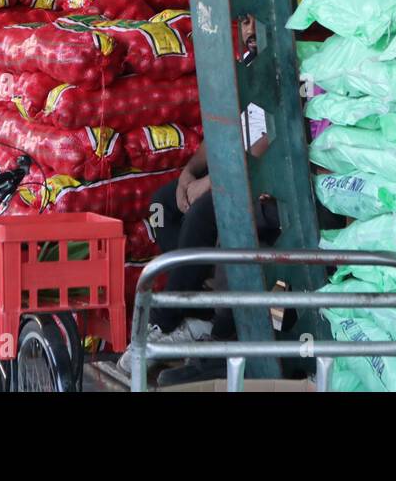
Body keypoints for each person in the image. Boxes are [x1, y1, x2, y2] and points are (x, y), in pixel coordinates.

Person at [118, 135, 279, 385]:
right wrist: (189, 172)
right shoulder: (237, 98)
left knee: (201, 213)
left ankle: (166, 320)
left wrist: (211, 182)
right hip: (225, 174)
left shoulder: (277, 101)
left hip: (257, 181)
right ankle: (196, 312)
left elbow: (264, 147)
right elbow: (215, 138)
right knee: (160, 206)